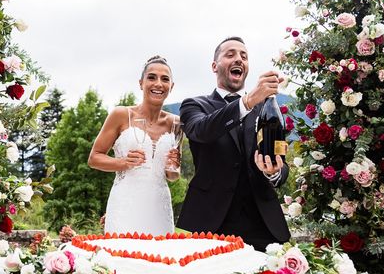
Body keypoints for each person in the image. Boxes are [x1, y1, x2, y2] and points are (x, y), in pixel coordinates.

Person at [177, 37, 290, 251]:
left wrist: (274, 172)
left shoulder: (266, 109)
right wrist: (247, 102)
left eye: (244, 56)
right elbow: (202, 131)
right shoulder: (194, 105)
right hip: (210, 224)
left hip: (263, 225)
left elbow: (280, 160)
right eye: (230, 55)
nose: (238, 59)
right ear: (214, 66)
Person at [88, 56, 180, 235]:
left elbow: (172, 175)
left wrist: (173, 166)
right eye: (152, 77)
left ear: (172, 86)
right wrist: (123, 163)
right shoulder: (121, 114)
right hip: (125, 204)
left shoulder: (176, 123)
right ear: (141, 83)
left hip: (159, 207)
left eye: (165, 79)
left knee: (160, 258)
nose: (158, 84)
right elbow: (94, 158)